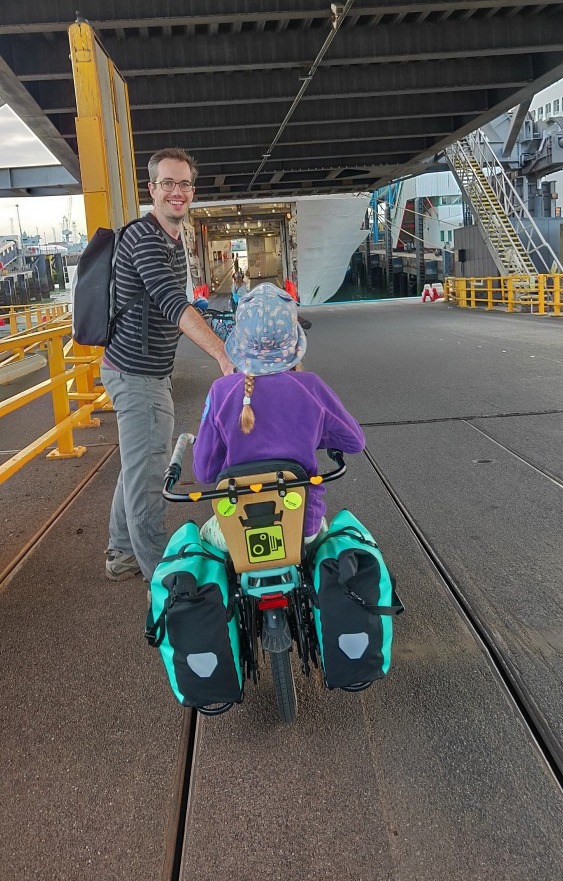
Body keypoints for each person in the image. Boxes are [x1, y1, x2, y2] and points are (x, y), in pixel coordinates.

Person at [101, 147, 233, 582]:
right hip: (136, 376)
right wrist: (220, 351)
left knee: (138, 467)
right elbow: (173, 303)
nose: (177, 192)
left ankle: (120, 555)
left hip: (148, 372)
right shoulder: (144, 238)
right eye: (167, 183)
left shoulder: (174, 239)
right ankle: (164, 585)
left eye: (184, 184)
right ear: (152, 189)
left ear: (192, 191)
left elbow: (181, 308)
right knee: (149, 476)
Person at [192, 283, 365, 550]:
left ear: (240, 342)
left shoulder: (221, 392)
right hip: (302, 525)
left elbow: (205, 472)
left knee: (203, 537)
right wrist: (311, 433)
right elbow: (354, 441)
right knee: (321, 548)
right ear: (293, 342)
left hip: (236, 530)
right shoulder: (312, 387)